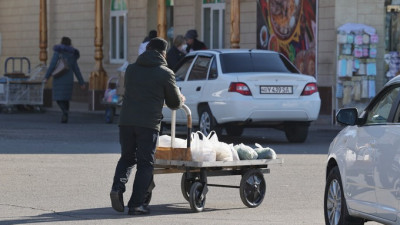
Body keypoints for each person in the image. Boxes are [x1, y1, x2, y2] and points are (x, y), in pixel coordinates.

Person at [110, 37, 184, 215]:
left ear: (147, 49)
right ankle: (136, 204)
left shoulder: (131, 69)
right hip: (148, 124)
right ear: (164, 53)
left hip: (126, 121)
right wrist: (180, 99)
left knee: (127, 158)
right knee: (145, 164)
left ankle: (117, 188)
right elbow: (174, 103)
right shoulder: (165, 73)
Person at [44, 37, 85, 123]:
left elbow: (52, 65)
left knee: (58, 98)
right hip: (69, 79)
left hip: (58, 78)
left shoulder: (58, 52)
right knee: (66, 98)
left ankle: (64, 112)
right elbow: (76, 69)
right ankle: (65, 113)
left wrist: (47, 77)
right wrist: (81, 82)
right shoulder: (72, 54)